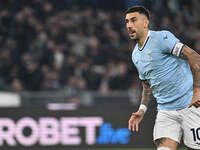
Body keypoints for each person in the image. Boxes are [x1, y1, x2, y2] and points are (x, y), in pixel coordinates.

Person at [125, 6, 200, 150]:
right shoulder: (135, 55)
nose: (129, 25)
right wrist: (142, 109)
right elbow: (147, 85)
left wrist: (197, 91)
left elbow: (194, 56)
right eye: (127, 21)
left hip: (191, 105)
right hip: (166, 111)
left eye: (134, 20)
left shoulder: (161, 38)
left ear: (146, 22)